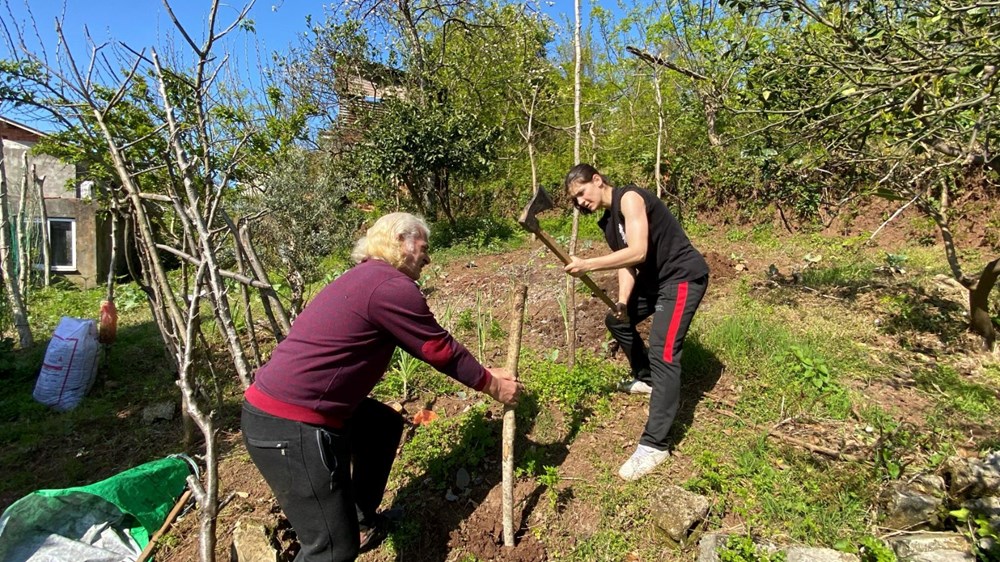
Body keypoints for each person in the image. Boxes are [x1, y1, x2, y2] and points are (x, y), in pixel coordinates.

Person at [241, 212, 522, 561]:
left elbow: (432, 343)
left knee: (381, 426)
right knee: (331, 549)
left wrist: (484, 372)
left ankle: (359, 521)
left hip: (296, 408)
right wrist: (492, 386)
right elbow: (437, 349)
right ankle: (345, 534)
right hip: (290, 423)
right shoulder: (390, 287)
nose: (428, 256)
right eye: (424, 246)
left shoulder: (367, 279)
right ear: (400, 243)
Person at [562, 164, 709, 481]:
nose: (580, 202)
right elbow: (626, 265)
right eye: (574, 200)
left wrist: (588, 264)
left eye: (581, 193)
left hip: (682, 277)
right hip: (657, 280)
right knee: (617, 322)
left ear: (597, 181)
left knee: (664, 351)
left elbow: (638, 251)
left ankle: (655, 445)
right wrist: (624, 303)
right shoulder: (608, 222)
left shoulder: (629, 198)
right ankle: (647, 379)